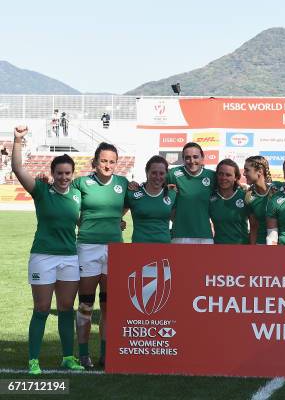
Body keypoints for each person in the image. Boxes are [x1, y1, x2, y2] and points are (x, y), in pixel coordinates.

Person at [11, 126, 84, 374]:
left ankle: (67, 357)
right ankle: (33, 360)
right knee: (42, 308)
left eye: (68, 173)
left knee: (66, 308)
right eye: (60, 173)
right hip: (43, 257)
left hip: (70, 258)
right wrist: (18, 140)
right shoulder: (41, 191)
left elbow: (86, 219)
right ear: (52, 173)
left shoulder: (78, 195)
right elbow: (18, 169)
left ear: (73, 174)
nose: (64, 177)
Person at [72, 142, 128, 369]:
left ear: (116, 163)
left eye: (111, 161)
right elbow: (70, 206)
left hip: (114, 249)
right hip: (87, 247)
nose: (107, 165)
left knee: (109, 306)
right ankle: (84, 354)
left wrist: (117, 219)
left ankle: (106, 354)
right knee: (86, 304)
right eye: (103, 161)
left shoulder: (123, 184)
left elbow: (128, 205)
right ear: (95, 163)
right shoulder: (81, 182)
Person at [166, 142, 216, 244]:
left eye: (195, 157)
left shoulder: (212, 176)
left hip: (204, 235)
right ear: (183, 159)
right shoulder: (173, 174)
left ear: (202, 158)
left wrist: (239, 185)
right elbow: (155, 185)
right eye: (187, 157)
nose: (192, 161)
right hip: (179, 235)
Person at [124, 156, 177, 243]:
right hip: (139, 248)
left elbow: (176, 220)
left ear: (166, 174)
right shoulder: (132, 193)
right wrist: (120, 221)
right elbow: (117, 215)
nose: (157, 177)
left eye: (161, 173)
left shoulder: (172, 194)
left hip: (164, 248)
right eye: (154, 173)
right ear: (146, 171)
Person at [209, 159, 252, 244]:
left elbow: (255, 226)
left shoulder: (245, 196)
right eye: (220, 174)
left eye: (228, 175)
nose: (223, 178)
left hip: (241, 249)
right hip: (218, 249)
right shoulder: (210, 198)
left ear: (236, 177)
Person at [243, 155, 282, 245]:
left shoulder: (279, 188)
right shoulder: (249, 196)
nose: (244, 174)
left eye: (247, 170)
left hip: (281, 244)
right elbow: (253, 226)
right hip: (260, 244)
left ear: (259, 171)